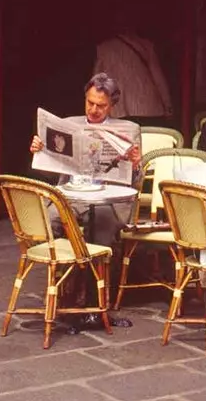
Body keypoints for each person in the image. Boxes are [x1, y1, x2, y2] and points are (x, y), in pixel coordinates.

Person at [28, 73, 143, 244]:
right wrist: (40, 152)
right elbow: (51, 175)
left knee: (101, 231)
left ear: (112, 106)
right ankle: (67, 267)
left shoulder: (129, 129)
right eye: (90, 103)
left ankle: (98, 270)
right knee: (47, 223)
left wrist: (135, 165)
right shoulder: (68, 125)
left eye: (101, 106)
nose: (94, 110)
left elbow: (135, 182)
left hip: (106, 201)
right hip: (71, 197)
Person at [94, 26, 172, 119]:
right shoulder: (145, 46)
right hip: (147, 108)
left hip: (118, 111)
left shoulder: (103, 48)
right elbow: (158, 78)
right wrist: (168, 106)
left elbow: (97, 84)